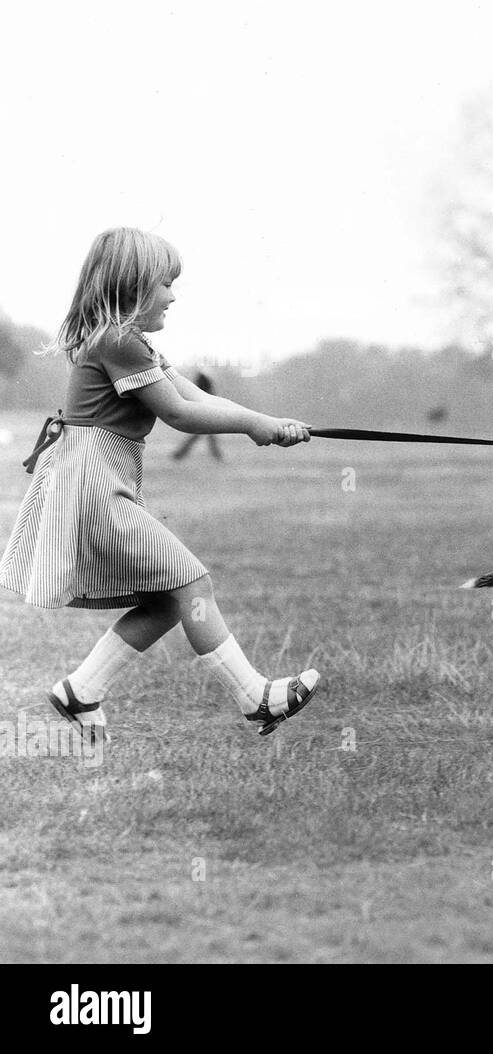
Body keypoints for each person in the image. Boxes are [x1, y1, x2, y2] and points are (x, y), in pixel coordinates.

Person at [0, 228, 322, 747]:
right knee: (191, 584)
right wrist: (253, 426)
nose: (173, 296)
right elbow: (179, 414)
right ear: (132, 287)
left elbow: (190, 393)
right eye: (165, 284)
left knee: (168, 597)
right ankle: (255, 698)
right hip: (92, 488)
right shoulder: (117, 341)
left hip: (103, 483)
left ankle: (82, 690)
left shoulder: (133, 343)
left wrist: (267, 420)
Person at [172, 370, 223, 460]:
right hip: (206, 412)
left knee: (204, 435)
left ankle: (179, 454)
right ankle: (179, 454)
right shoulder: (204, 378)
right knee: (205, 435)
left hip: (205, 411)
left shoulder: (203, 378)